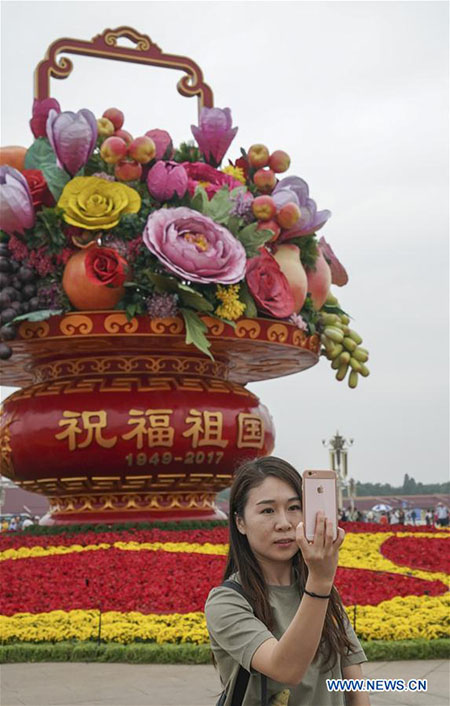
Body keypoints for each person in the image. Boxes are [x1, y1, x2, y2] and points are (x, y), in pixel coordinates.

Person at [205, 457, 369, 706]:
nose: (284, 523)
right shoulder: (227, 601)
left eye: (294, 507)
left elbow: (355, 687)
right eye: (267, 510)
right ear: (240, 522)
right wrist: (320, 582)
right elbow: (285, 669)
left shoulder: (322, 592)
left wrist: (320, 584)